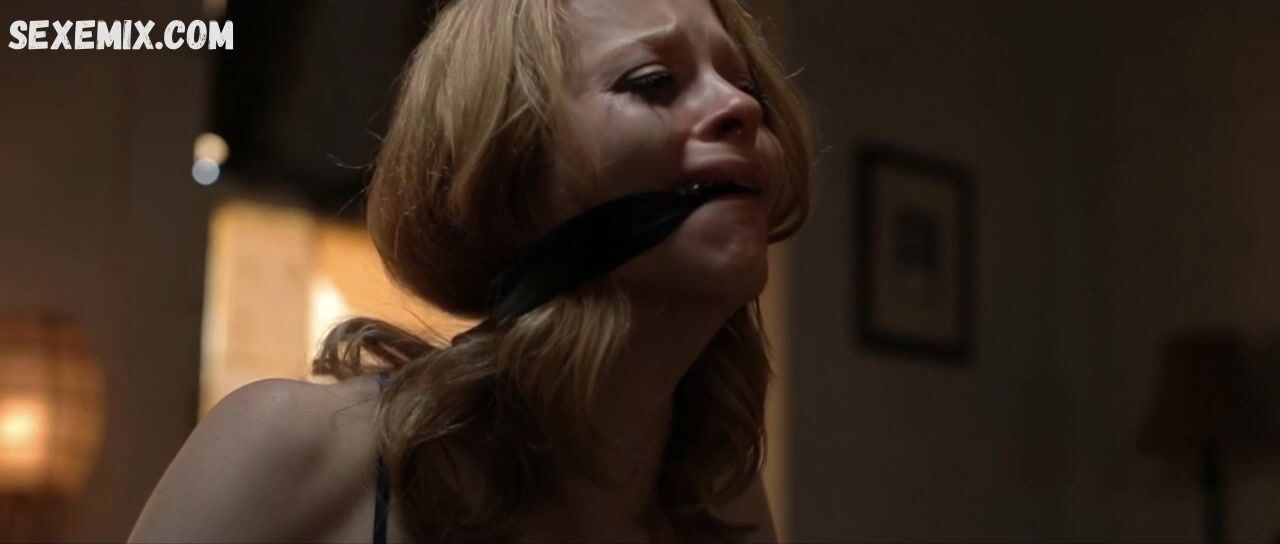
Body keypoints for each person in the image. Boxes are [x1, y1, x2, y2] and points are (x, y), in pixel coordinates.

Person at [128, 0, 813, 541]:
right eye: (653, 81)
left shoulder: (715, 504)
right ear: (512, 163)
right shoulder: (291, 451)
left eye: (743, 82)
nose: (745, 107)